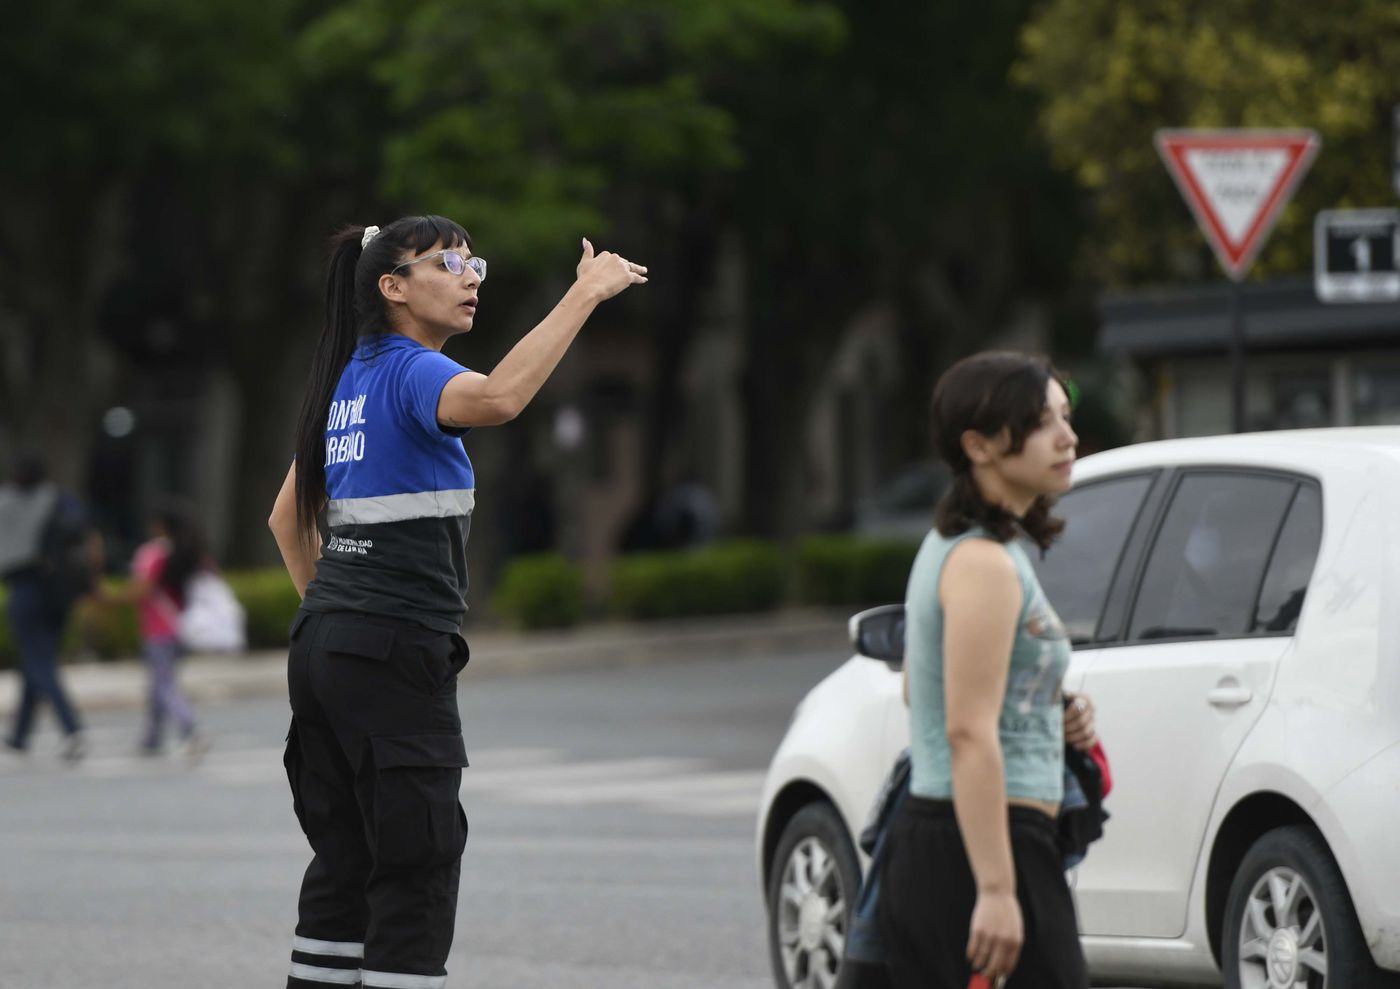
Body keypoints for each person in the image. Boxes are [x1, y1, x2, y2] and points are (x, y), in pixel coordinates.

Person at [267, 215, 645, 989]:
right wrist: (584, 295)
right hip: (389, 647)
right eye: (447, 262)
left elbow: (284, 519)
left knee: (346, 867)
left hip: (325, 645)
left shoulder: (348, 381)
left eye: (476, 261)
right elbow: (503, 396)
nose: (470, 276)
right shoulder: (412, 373)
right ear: (394, 287)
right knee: (416, 866)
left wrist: (340, 617)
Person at [877, 351, 1098, 989]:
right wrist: (998, 890)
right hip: (979, 845)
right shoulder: (983, 563)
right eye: (1042, 422)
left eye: (1065, 415)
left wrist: (1049, 712)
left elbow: (924, 689)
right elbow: (966, 730)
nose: (1067, 436)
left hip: (967, 841)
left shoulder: (974, 550)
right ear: (979, 445)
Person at [0, 453, 91, 761]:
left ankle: (71, 729)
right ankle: (20, 736)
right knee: (36, 660)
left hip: (26, 588)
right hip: (61, 593)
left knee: (39, 661)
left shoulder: (9, 503)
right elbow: (85, 534)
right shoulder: (60, 500)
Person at [121, 503, 210, 758]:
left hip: (158, 627)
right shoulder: (187, 552)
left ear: (160, 525)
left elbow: (142, 589)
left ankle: (190, 728)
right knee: (158, 682)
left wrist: (109, 598)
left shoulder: (152, 554)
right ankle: (152, 737)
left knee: (163, 684)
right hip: (179, 626)